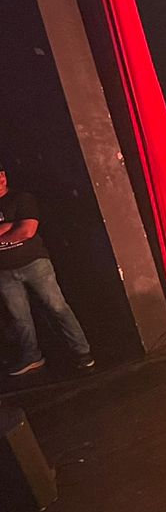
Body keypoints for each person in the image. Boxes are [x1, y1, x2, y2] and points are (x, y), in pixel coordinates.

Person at [0, 161, 95, 376]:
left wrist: (8, 230)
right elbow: (16, 227)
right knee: (19, 317)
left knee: (57, 307)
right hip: (4, 271)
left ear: (4, 176)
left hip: (34, 263)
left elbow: (27, 231)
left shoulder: (21, 198)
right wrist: (10, 225)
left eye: (0, 175)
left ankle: (82, 352)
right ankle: (32, 357)